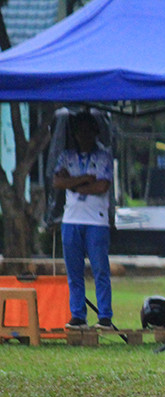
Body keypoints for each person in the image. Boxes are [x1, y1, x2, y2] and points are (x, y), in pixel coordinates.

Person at [52, 111, 114, 330]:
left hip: (96, 221)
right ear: (75, 134)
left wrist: (74, 183)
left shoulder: (104, 156)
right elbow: (58, 181)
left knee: (100, 270)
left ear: (95, 132)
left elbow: (102, 186)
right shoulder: (66, 156)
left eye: (88, 131)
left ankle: (105, 316)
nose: (84, 135)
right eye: (80, 131)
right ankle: (78, 315)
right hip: (71, 219)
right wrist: (85, 179)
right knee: (74, 271)